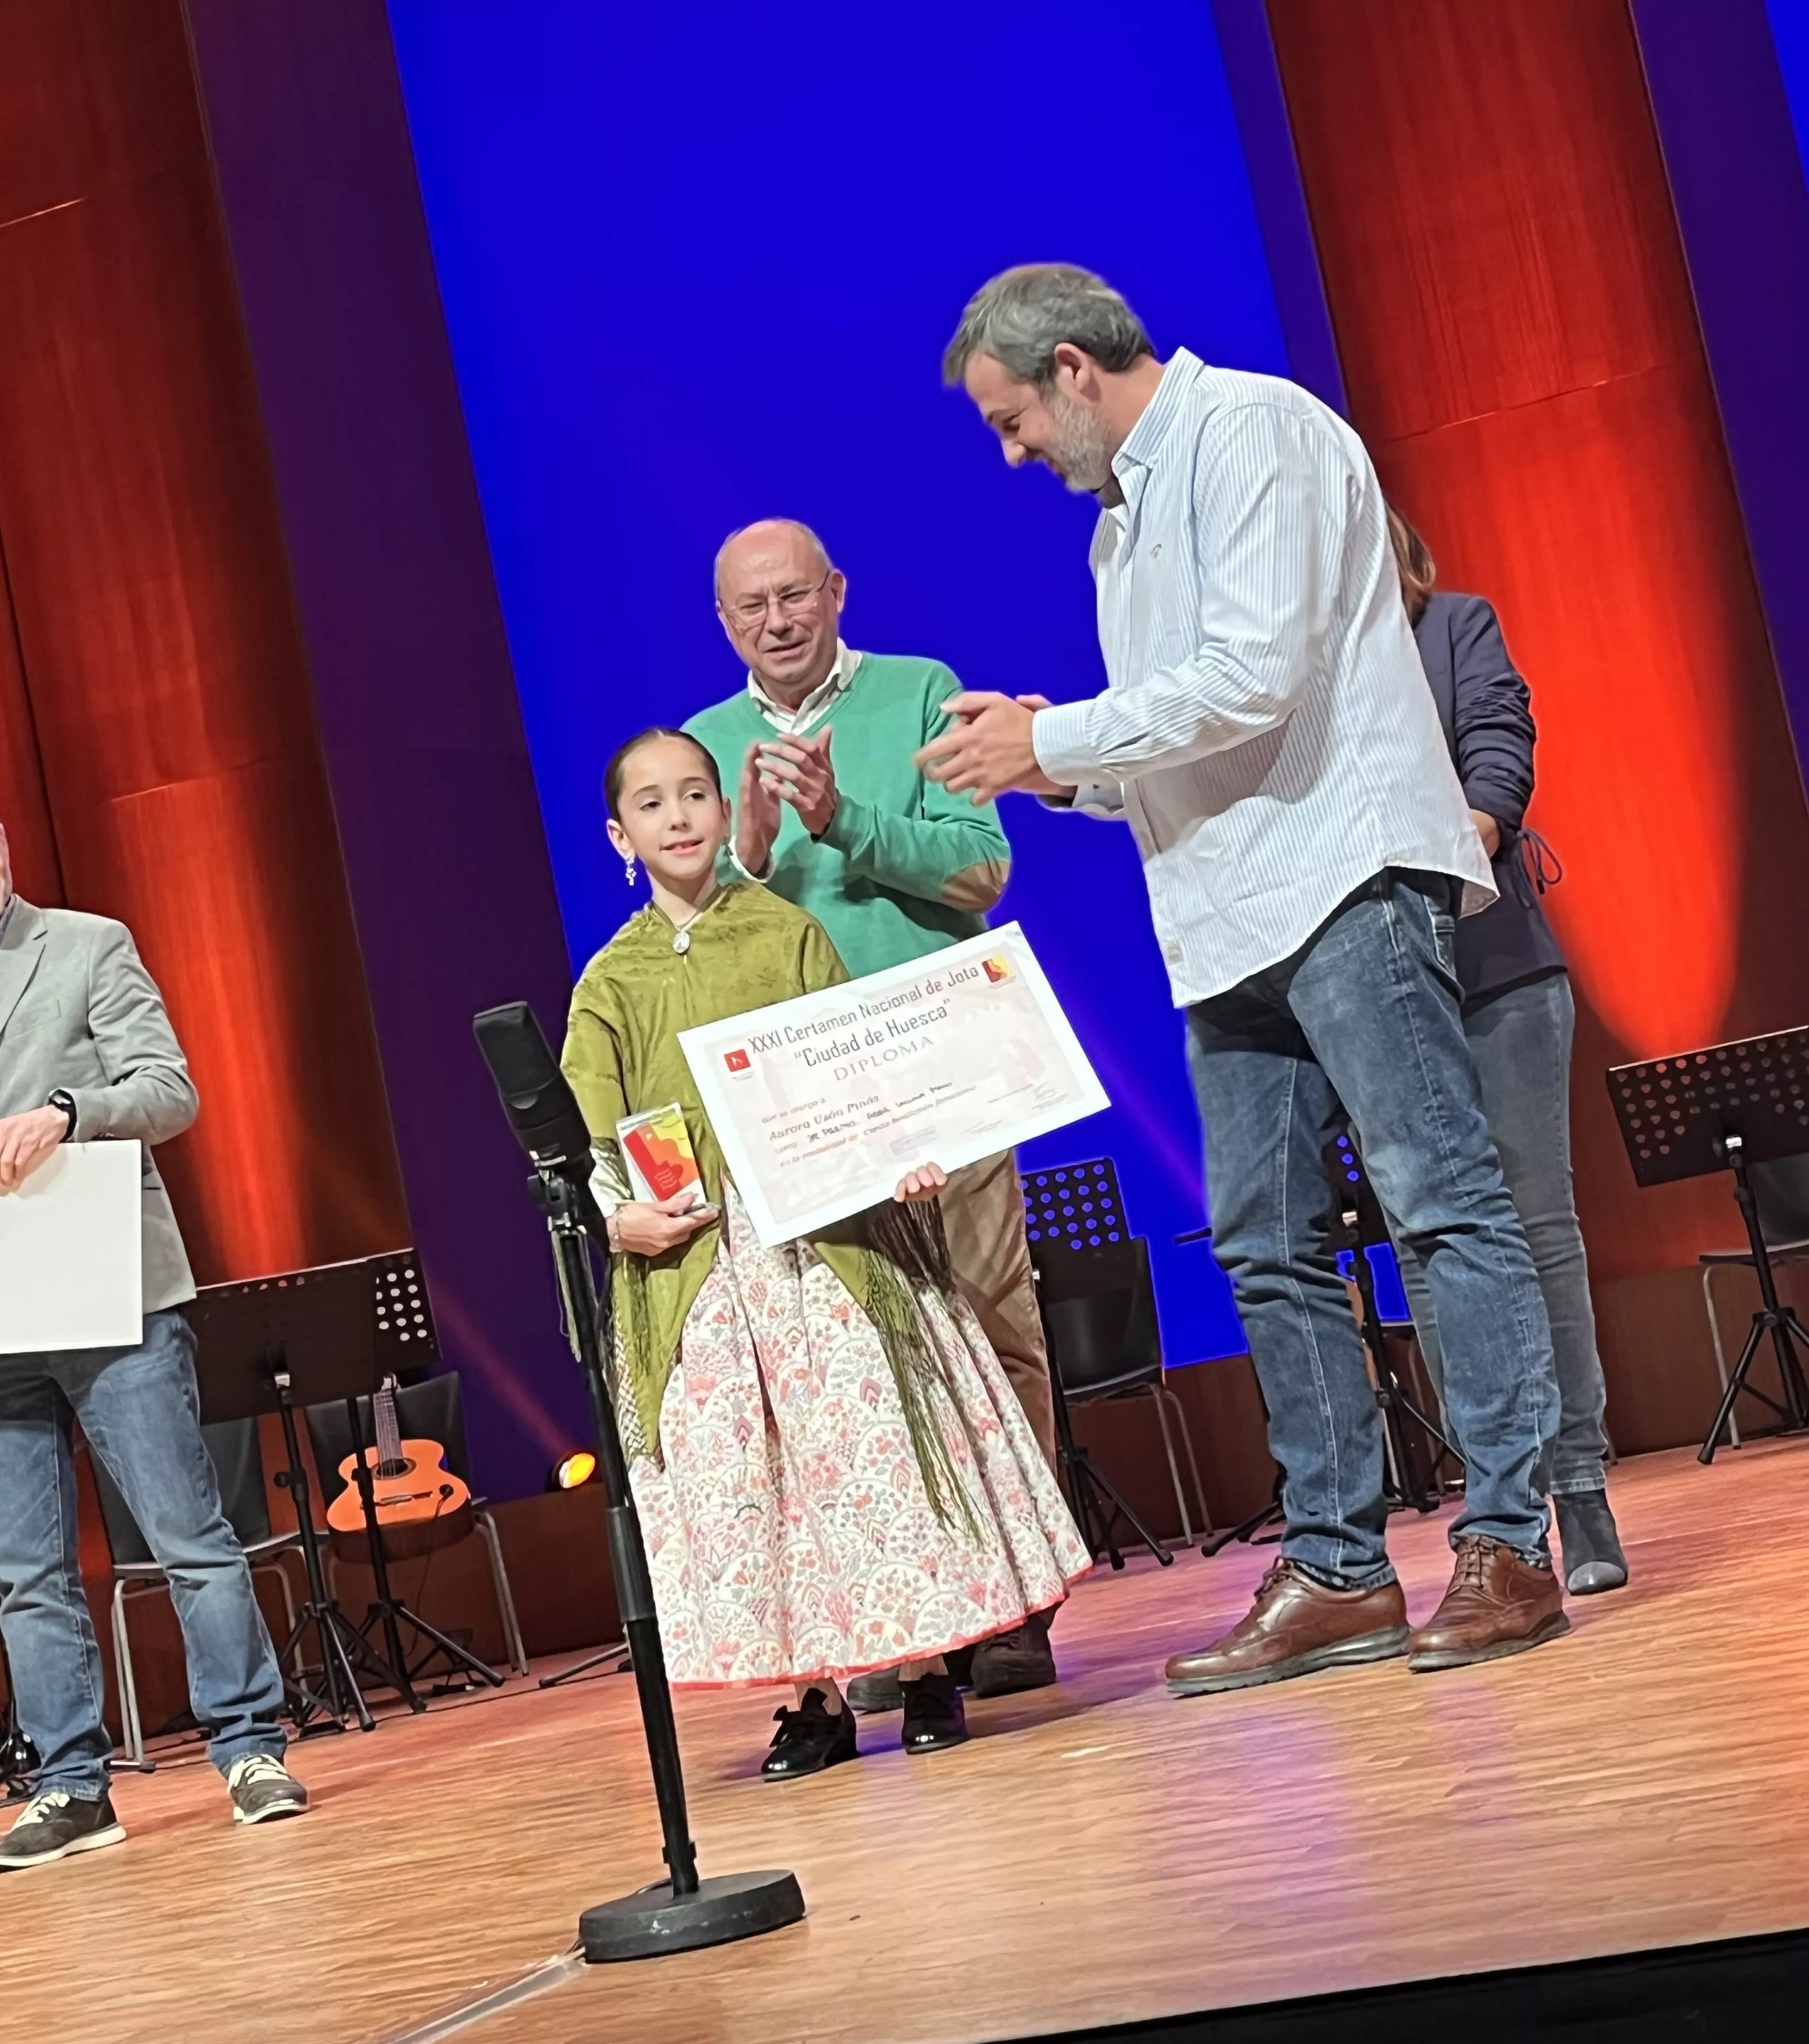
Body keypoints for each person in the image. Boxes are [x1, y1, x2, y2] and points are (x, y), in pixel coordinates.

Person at [922, 263, 1568, 1686]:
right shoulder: (1117, 535)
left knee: (1442, 1206)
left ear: (1077, 369)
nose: (1015, 451)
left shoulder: (1257, 433)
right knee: (1267, 1246)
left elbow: (1258, 676)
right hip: (1224, 921)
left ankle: (1514, 1542)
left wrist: (1065, 737)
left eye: (1015, 418)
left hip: (1340, 878)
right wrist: (1046, 760)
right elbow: (1178, 744)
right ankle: (1340, 1569)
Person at [560, 728, 1087, 1777]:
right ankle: (814, 1698)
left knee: (872, 1454)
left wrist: (903, 1155)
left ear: (725, 811)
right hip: (703, 1273)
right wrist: (617, 1214)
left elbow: (851, 1070)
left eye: (698, 794)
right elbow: (591, 1138)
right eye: (653, 804)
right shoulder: (608, 983)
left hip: (827, 1251)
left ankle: (933, 1668)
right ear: (620, 835)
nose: (679, 817)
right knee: (766, 1479)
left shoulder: (787, 931)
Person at [0, 776, 306, 1870]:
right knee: (26, 1571)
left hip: (113, 1290)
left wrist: (67, 1113)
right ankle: (70, 1783)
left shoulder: (90, 946)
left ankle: (248, 1747)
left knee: (186, 1537)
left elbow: (171, 1090)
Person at [682, 516, 1062, 1704]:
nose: (777, 623)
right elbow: (685, 932)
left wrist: (844, 821)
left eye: (795, 596)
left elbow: (980, 871)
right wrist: (738, 859)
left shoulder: (921, 693)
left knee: (989, 1314)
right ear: (722, 620)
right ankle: (901, 1615)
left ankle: (1017, 1605)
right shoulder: (704, 743)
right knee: (847, 1355)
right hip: (800, 1085)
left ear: (838, 591)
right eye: (751, 607)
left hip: (939, 1048)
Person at [1383, 511, 1626, 1593]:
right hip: (1378, 996)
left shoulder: (1454, 626)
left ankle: (1581, 1486)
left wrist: (1466, 831)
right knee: (1432, 1254)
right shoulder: (1290, 671)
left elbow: (1497, 745)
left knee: (1535, 1231)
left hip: (1499, 968)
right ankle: (1502, 1503)